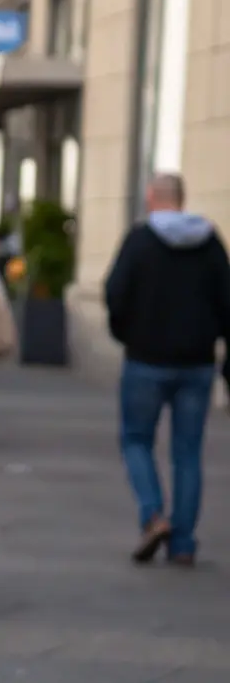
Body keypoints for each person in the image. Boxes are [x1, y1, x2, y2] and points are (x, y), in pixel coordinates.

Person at [105, 172, 230, 566]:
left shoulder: (140, 240)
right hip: (196, 363)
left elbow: (115, 294)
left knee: (136, 440)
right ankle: (183, 543)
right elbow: (227, 302)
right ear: (182, 197)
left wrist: (127, 334)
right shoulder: (210, 242)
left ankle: (154, 516)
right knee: (188, 452)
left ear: (151, 197)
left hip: (146, 360)